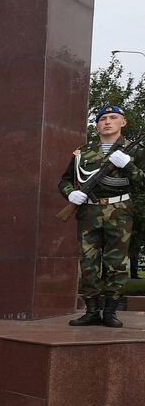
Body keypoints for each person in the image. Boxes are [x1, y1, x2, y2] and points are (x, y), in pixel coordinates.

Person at [60, 104, 144, 328]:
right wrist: (72, 194)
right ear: (96, 124)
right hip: (89, 211)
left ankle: (110, 312)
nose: (107, 121)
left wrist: (129, 166)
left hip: (119, 211)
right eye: (103, 118)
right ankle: (91, 311)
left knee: (116, 263)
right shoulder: (83, 152)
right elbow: (65, 180)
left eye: (113, 117)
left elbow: (142, 181)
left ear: (123, 122)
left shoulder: (134, 151)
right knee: (88, 262)